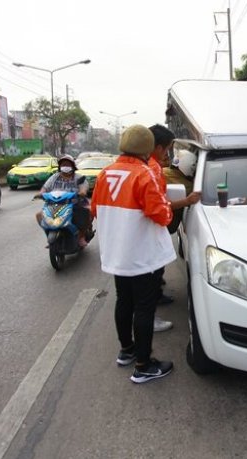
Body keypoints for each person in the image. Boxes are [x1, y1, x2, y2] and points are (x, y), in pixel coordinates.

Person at [90, 125, 175, 383]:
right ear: (148, 148)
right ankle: (143, 364)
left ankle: (126, 351)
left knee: (123, 301)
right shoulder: (144, 174)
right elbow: (162, 215)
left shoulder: (105, 173)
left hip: (116, 254)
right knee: (144, 308)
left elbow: (94, 209)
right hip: (142, 255)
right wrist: (170, 206)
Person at [148, 124, 201, 332]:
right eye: (166, 148)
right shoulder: (159, 173)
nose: (167, 154)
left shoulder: (162, 170)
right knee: (149, 275)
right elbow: (156, 206)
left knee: (155, 269)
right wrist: (187, 200)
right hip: (155, 227)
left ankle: (157, 293)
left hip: (160, 227)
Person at [35, 155, 91, 248]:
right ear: (60, 166)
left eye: (68, 164)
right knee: (39, 215)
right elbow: (45, 188)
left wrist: (82, 192)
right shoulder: (54, 177)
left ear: (72, 166)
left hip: (75, 203)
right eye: (63, 164)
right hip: (55, 204)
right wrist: (41, 193)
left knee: (86, 213)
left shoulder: (78, 177)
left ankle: (81, 237)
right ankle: (49, 237)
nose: (65, 166)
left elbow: (83, 187)